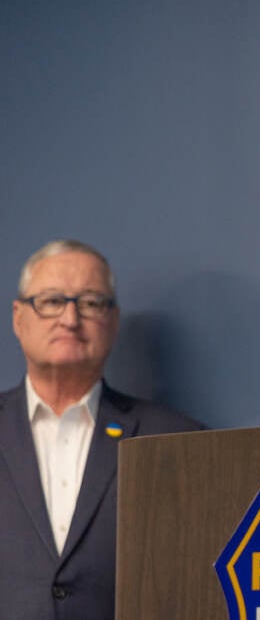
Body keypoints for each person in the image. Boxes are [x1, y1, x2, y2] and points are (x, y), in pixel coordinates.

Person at [0, 240, 204, 620]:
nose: (70, 319)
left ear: (113, 320)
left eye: (91, 302)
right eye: (50, 301)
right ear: (18, 317)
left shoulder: (177, 440)